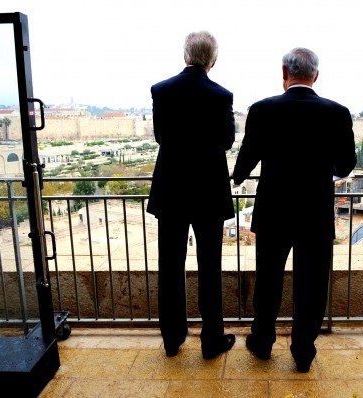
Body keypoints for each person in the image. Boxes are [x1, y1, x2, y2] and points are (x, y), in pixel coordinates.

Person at [232, 47, 356, 372]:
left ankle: (261, 343)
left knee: (269, 281)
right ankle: (303, 352)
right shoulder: (337, 112)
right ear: (316, 75)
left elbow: (245, 161)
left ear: (284, 73)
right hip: (315, 214)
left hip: (273, 211)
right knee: (312, 287)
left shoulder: (261, 110)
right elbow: (346, 165)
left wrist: (236, 177)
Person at [146, 31, 236, 359]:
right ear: (213, 60)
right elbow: (226, 141)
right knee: (209, 268)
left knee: (170, 267)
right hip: (209, 193)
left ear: (185, 55)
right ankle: (211, 340)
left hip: (171, 191)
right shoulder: (221, 96)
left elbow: (160, 136)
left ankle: (172, 338)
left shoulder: (161, 90)